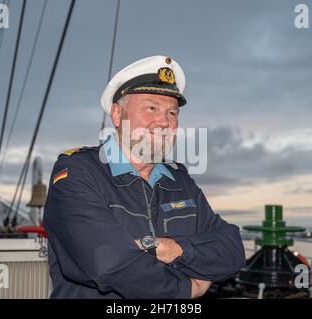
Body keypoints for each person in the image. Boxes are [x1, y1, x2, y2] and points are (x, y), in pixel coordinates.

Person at [44, 55, 245, 299]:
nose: (163, 121)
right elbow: (108, 263)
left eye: (172, 113)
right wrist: (186, 289)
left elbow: (232, 249)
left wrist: (174, 249)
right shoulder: (78, 172)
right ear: (117, 115)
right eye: (151, 108)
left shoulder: (179, 180)